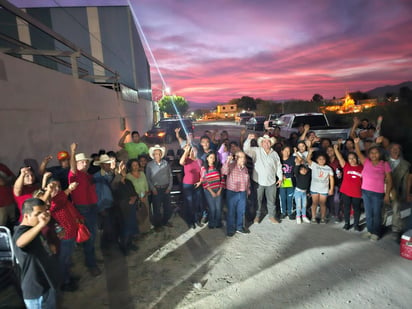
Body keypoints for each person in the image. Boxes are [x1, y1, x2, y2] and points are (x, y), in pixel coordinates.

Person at [13, 198, 60, 309]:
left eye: (43, 213)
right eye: (37, 214)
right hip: (36, 291)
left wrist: (49, 246)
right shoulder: (21, 232)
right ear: (26, 216)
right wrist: (40, 225)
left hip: (47, 284)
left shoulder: (34, 228)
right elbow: (20, 242)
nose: (41, 217)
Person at [68, 143, 101, 276]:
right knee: (90, 236)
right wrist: (73, 152)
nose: (85, 163)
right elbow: (72, 166)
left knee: (93, 235)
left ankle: (91, 259)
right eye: (81, 162)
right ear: (76, 164)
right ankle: (91, 263)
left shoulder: (86, 175)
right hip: (83, 209)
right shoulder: (73, 175)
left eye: (85, 161)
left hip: (92, 207)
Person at [46, 177, 82, 292]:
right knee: (63, 260)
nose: (56, 189)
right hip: (63, 236)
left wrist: (78, 218)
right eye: (53, 187)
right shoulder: (50, 202)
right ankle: (65, 282)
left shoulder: (63, 198)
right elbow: (56, 203)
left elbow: (72, 209)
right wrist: (68, 190)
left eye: (58, 187)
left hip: (71, 232)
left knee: (67, 259)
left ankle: (68, 277)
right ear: (47, 189)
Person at [354, 137, 392, 241]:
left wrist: (387, 194)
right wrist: (356, 143)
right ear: (369, 154)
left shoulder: (384, 164)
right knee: (368, 213)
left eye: (376, 152)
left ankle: (376, 232)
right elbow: (358, 152)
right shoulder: (366, 162)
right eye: (371, 153)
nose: (374, 154)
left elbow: (389, 180)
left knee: (376, 214)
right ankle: (370, 230)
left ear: (380, 154)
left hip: (377, 193)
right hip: (365, 192)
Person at [243, 134, 283, 224]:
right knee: (257, 200)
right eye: (264, 141)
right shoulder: (256, 151)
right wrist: (248, 139)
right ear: (261, 143)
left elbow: (278, 166)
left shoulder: (275, 153)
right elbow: (246, 149)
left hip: (271, 181)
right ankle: (257, 217)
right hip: (258, 181)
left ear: (271, 143)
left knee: (271, 200)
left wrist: (280, 178)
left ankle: (272, 216)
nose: (266, 143)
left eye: (268, 141)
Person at [333, 143, 363, 231]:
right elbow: (340, 158)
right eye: (350, 158)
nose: (352, 160)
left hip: (357, 192)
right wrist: (335, 149)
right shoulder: (346, 166)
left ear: (357, 159)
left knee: (357, 208)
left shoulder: (362, 167)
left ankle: (356, 224)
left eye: (353, 158)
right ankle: (347, 223)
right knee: (346, 208)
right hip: (346, 191)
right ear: (348, 160)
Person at [385, 143, 411, 241]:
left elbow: (406, 180)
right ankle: (381, 225)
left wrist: (405, 194)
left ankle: (396, 229)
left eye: (398, 149)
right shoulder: (383, 160)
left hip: (395, 190)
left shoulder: (405, 165)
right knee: (382, 207)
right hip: (382, 188)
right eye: (393, 148)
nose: (395, 150)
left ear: (400, 151)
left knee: (396, 208)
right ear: (389, 150)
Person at [221, 151, 250, 236]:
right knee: (231, 212)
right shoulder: (231, 165)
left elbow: (247, 181)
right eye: (241, 157)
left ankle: (239, 227)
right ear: (236, 158)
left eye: (244, 157)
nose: (243, 159)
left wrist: (248, 190)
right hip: (232, 192)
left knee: (241, 211)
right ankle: (230, 229)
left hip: (242, 192)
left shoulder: (245, 168)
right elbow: (224, 171)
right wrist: (227, 161)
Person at [93, 154, 117, 253]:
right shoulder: (97, 177)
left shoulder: (109, 174)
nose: (108, 165)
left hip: (111, 204)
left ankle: (110, 246)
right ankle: (105, 248)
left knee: (111, 226)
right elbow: (97, 194)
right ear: (102, 165)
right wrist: (101, 208)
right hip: (104, 206)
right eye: (106, 164)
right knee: (106, 228)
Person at [146, 145, 173, 229]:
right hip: (156, 189)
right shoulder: (149, 165)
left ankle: (165, 221)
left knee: (167, 207)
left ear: (161, 154)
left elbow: (170, 175)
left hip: (166, 189)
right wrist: (153, 188)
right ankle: (157, 225)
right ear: (153, 155)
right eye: (155, 154)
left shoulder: (166, 163)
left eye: (159, 153)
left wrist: (169, 187)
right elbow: (148, 178)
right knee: (156, 209)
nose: (157, 155)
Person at [307, 141, 334, 224]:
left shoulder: (328, 168)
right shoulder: (314, 165)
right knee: (314, 203)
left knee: (323, 204)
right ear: (317, 160)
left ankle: (323, 218)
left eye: (323, 159)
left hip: (324, 189)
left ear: (326, 160)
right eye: (320, 159)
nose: (321, 160)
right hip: (314, 188)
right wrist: (310, 152)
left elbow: (331, 178)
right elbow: (308, 159)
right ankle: (313, 217)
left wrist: (331, 189)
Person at [179, 144, 203, 229]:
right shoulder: (187, 160)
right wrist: (186, 151)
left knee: (196, 203)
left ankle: (196, 220)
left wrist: (200, 182)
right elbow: (181, 162)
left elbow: (202, 173)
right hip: (187, 184)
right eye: (192, 150)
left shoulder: (199, 161)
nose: (194, 152)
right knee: (189, 203)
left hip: (197, 184)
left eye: (195, 150)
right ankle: (190, 221)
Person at [126, 159, 151, 234]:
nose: (135, 167)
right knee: (137, 216)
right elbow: (128, 190)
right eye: (133, 165)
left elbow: (146, 187)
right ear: (130, 167)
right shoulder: (128, 176)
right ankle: (138, 232)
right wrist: (138, 197)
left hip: (144, 198)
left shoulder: (142, 173)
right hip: (135, 199)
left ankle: (146, 230)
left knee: (145, 213)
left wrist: (143, 196)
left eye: (137, 165)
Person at [200, 152, 224, 229]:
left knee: (218, 208)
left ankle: (218, 222)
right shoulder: (203, 168)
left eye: (214, 158)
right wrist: (211, 192)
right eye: (211, 157)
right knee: (212, 208)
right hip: (209, 190)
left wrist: (220, 190)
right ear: (207, 158)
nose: (212, 159)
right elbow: (204, 181)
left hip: (218, 189)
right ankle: (211, 222)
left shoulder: (218, 168)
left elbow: (222, 179)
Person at [279, 145, 295, 220]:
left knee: (290, 197)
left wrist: (295, 153)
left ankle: (290, 212)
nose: (287, 153)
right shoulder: (278, 159)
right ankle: (283, 212)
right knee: (282, 197)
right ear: (282, 151)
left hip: (290, 181)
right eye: (285, 151)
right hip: (282, 181)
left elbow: (300, 161)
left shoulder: (292, 159)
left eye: (288, 151)